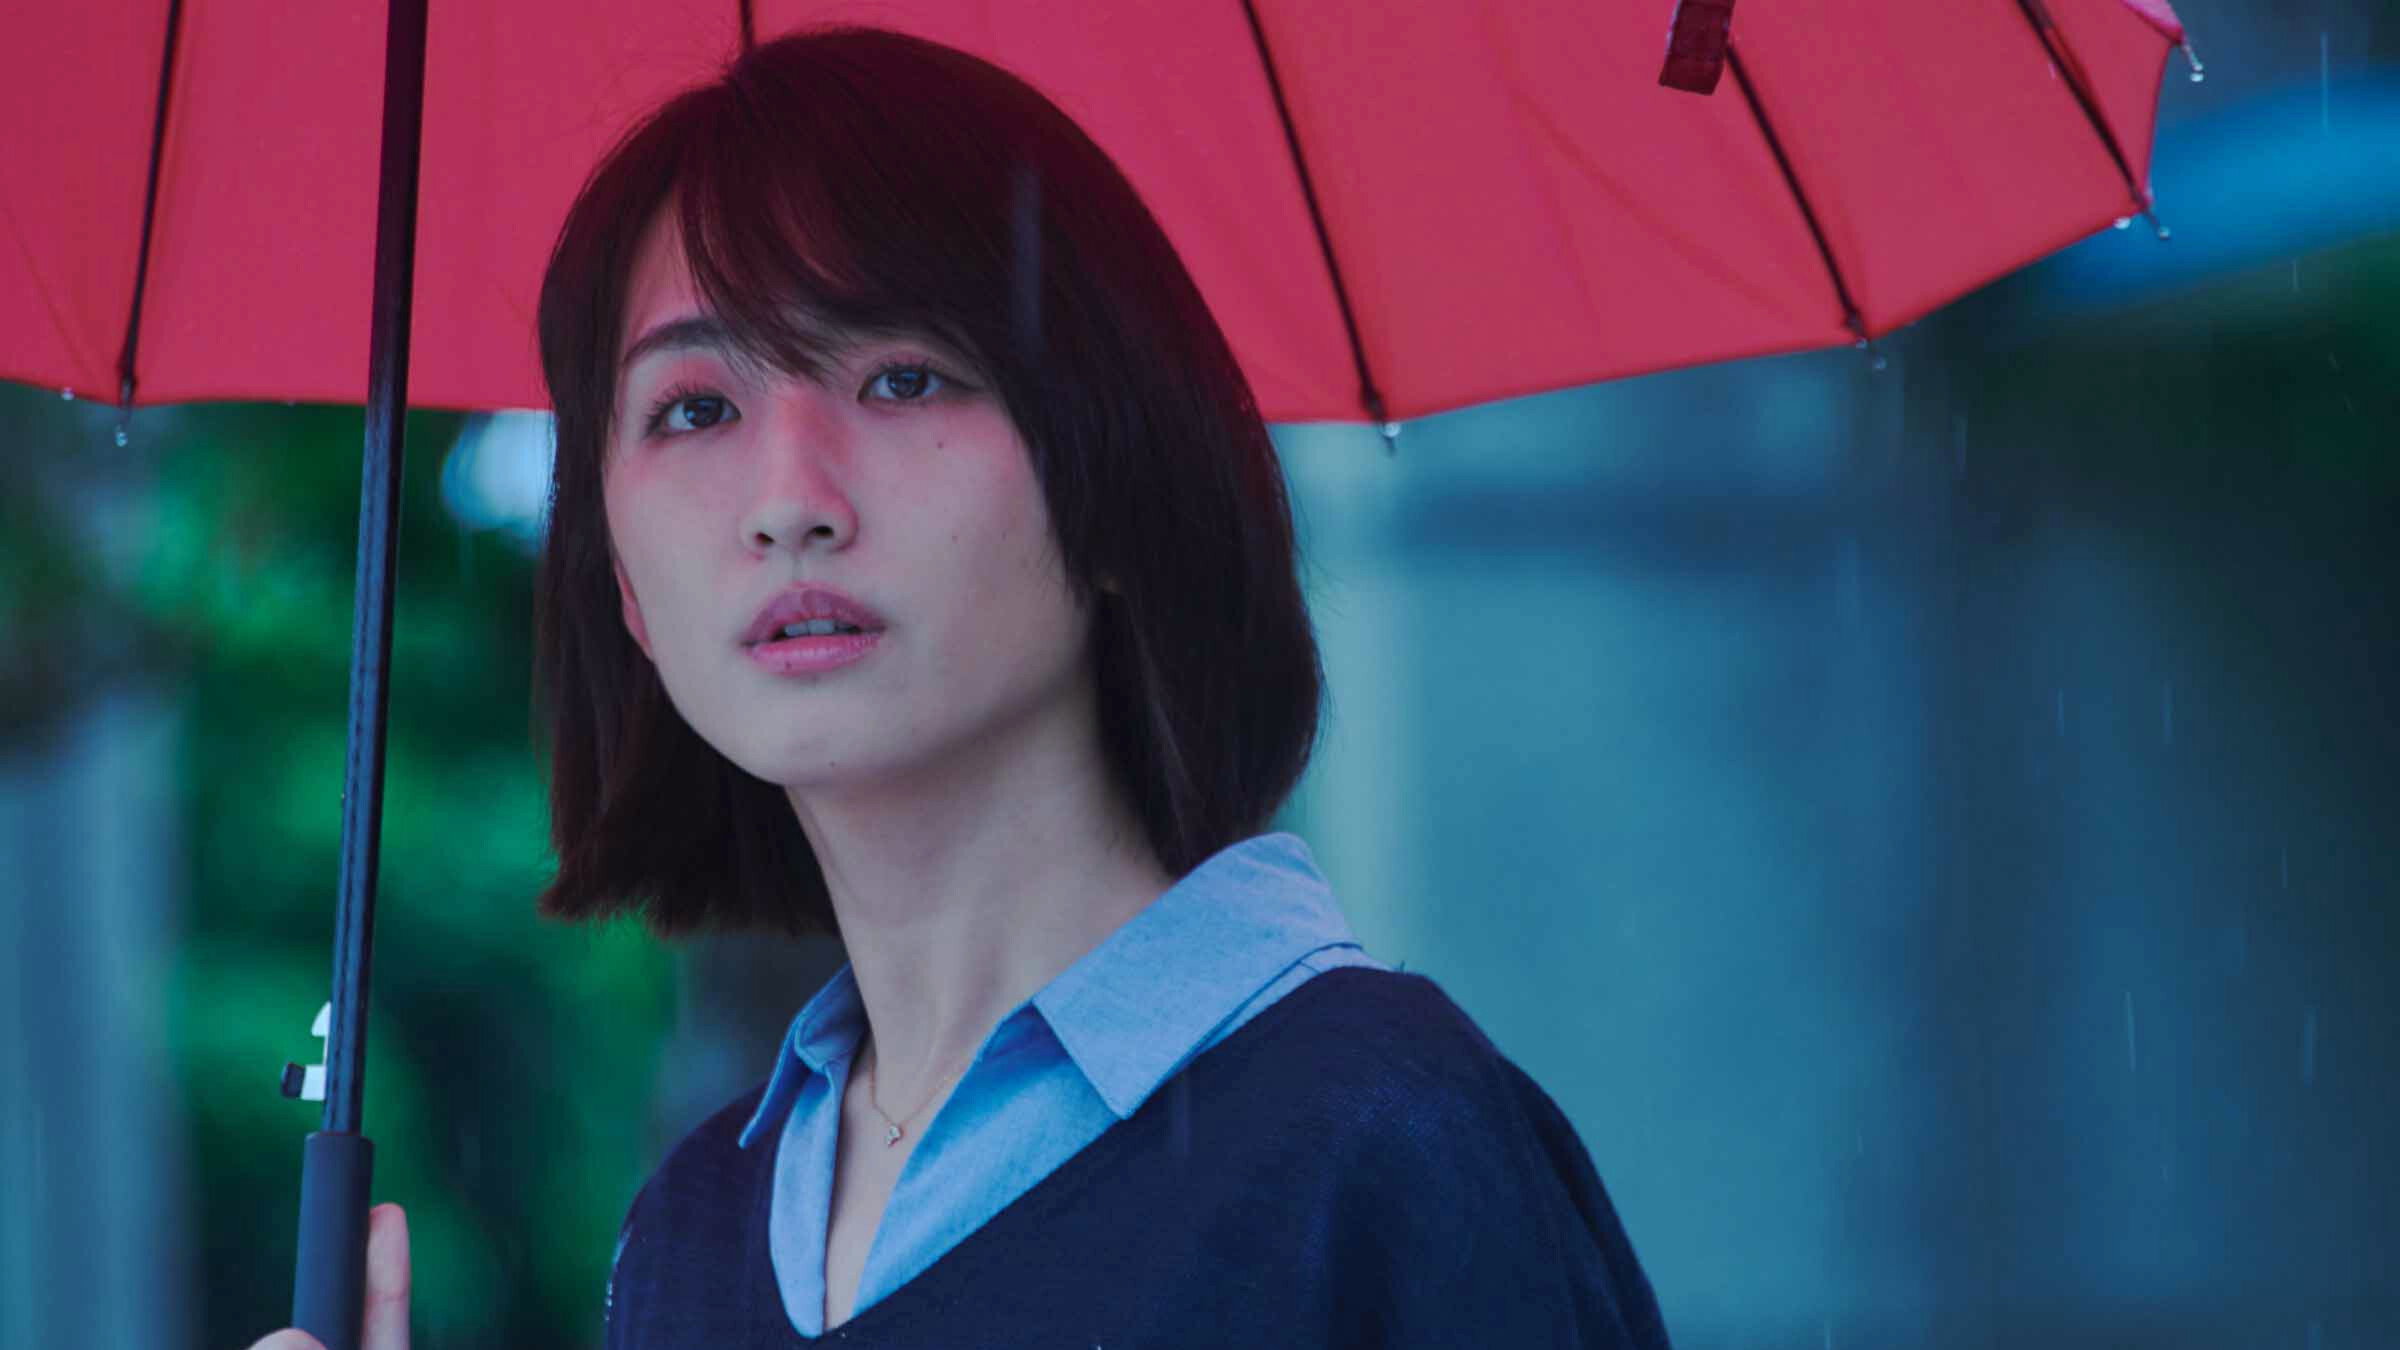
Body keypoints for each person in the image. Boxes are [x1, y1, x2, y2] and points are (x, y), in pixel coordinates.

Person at [251, 23, 1672, 1350]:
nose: (789, 501)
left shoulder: (1382, 1145)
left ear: (1111, 475)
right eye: (695, 407)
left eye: (903, 380)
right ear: (623, 583)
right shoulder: (692, 1238)